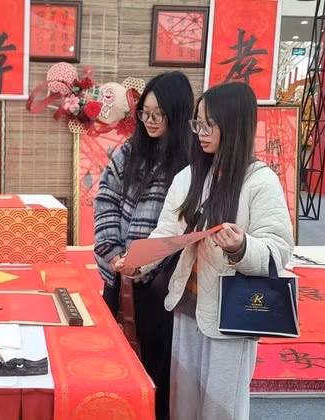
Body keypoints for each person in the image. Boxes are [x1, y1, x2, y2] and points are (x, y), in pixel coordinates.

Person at [132, 82, 294, 419]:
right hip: (186, 307)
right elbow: (167, 232)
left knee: (221, 408)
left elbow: (279, 250)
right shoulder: (190, 176)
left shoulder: (260, 182)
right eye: (197, 123)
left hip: (231, 316)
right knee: (184, 405)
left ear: (234, 126)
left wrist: (242, 247)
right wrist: (140, 263)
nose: (200, 133)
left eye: (210, 124)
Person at [92, 71, 194, 420]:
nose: (149, 121)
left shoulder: (192, 162)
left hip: (160, 282)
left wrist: (145, 262)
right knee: (114, 358)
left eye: (158, 114)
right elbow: (105, 200)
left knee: (156, 363)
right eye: (145, 113)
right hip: (118, 272)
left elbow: (182, 225)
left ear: (178, 114)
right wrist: (113, 252)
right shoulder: (130, 151)